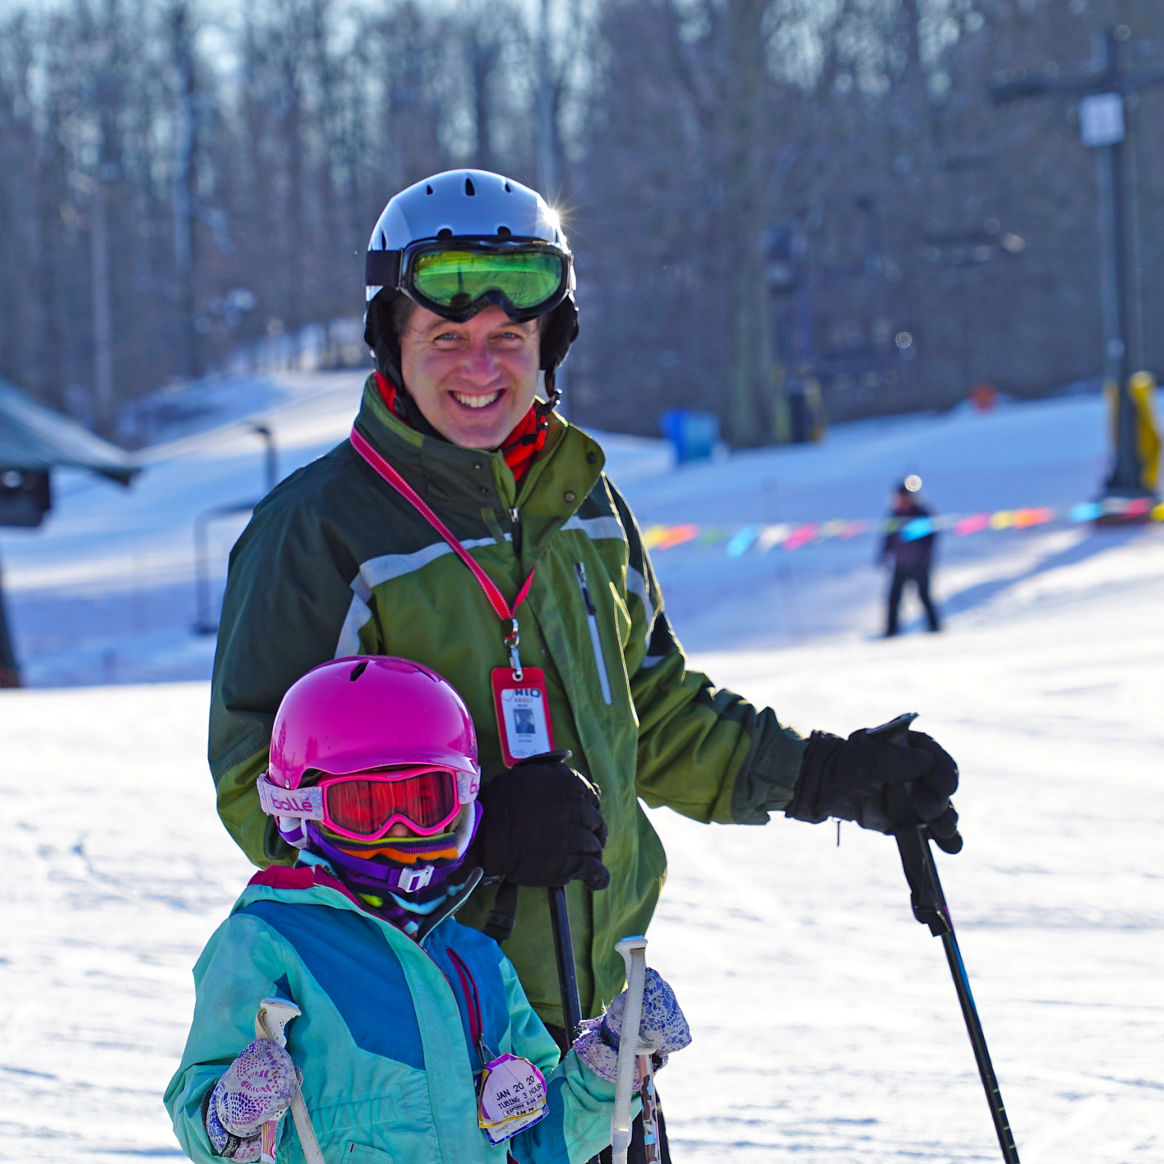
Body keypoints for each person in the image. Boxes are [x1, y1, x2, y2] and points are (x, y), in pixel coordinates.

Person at [208, 168, 961, 1159]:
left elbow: (655, 709)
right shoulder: (318, 531)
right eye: (445, 338)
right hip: (428, 1050)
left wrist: (829, 775)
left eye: (508, 339)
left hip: (599, 1035)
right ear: (392, 342)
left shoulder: (585, 509)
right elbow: (256, 788)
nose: (480, 365)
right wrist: (469, 838)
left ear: (548, 343)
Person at [168, 655, 691, 1163]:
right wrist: (228, 1117)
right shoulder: (269, 940)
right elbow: (198, 1102)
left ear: (462, 799)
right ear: (301, 809)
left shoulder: (476, 960)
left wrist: (613, 1059)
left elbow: (538, 1143)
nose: (399, 829)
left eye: (424, 802)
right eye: (366, 808)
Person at [879, 475, 941, 637]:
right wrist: (884, 554)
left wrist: (925, 555)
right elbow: (888, 537)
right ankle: (891, 631)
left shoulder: (921, 513)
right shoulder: (894, 515)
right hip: (901, 563)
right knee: (894, 598)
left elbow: (930, 538)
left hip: (919, 563)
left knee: (924, 596)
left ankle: (934, 628)